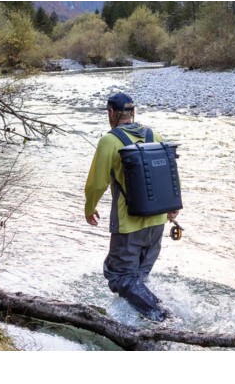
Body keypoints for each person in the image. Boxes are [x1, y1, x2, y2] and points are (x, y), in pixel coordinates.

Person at [84, 92, 179, 322]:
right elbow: (169, 170)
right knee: (138, 279)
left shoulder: (109, 140)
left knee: (119, 277)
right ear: (133, 113)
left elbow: (97, 183)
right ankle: (137, 325)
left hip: (128, 226)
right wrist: (173, 206)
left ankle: (164, 319)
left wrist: (90, 207)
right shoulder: (153, 134)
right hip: (157, 223)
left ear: (111, 113)